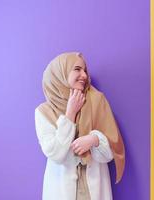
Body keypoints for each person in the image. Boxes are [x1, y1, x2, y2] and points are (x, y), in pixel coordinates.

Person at [35, 52, 125, 200]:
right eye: (77, 69)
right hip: (60, 190)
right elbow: (56, 153)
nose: (84, 75)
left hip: (94, 188)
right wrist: (70, 113)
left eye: (85, 70)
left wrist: (94, 139)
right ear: (61, 72)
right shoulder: (43, 112)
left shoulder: (97, 100)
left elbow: (110, 153)